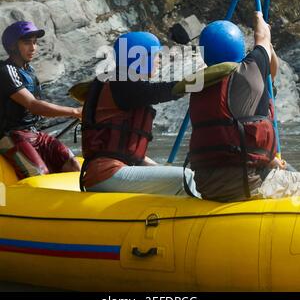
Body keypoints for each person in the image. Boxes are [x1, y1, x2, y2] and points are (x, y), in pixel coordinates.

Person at [185, 12, 296, 202]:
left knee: (286, 168)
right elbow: (262, 40)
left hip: (206, 185)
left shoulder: (199, 84)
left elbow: (269, 74)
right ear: (239, 47)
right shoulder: (248, 72)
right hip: (246, 183)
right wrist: (260, 19)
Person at [80, 31, 199, 196]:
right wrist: (198, 82)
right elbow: (159, 91)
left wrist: (161, 170)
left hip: (115, 172)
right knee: (186, 178)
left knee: (183, 175)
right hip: (108, 174)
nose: (159, 60)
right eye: (156, 55)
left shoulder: (120, 83)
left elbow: (133, 156)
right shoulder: (121, 85)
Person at [0, 21, 82, 179]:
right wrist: (75, 111)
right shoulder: (5, 71)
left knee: (73, 165)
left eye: (35, 42)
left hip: (34, 134)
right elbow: (33, 106)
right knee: (39, 174)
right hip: (10, 136)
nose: (33, 48)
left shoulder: (29, 71)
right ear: (12, 46)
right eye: (26, 43)